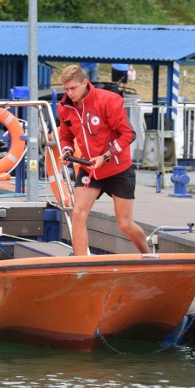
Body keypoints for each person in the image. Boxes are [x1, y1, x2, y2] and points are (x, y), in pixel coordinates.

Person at [57, 64, 149, 256]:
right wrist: (66, 150)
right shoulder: (64, 108)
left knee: (125, 223)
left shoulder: (108, 100)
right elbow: (66, 135)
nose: (70, 93)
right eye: (66, 89)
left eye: (73, 88)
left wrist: (106, 156)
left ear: (85, 82)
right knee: (78, 214)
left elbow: (128, 135)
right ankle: (81, 267)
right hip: (90, 168)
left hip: (118, 169)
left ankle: (148, 255)